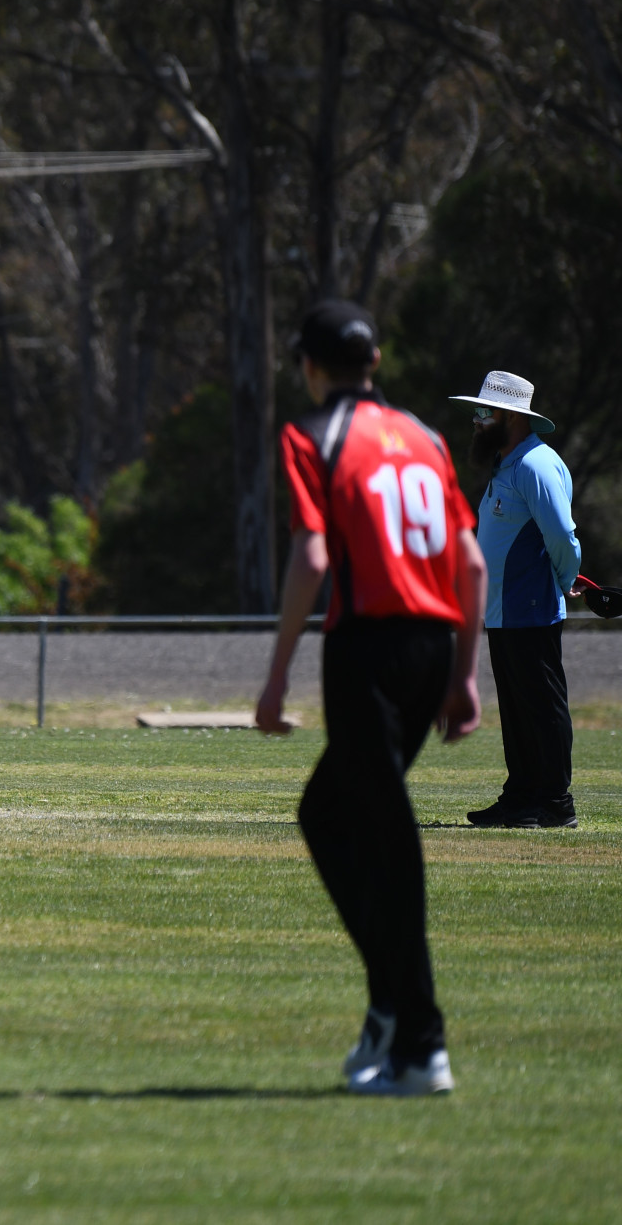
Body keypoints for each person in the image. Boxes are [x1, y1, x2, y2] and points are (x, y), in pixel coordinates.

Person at [256, 300, 486, 1097]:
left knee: (384, 837)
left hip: (366, 648)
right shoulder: (425, 436)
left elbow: (313, 553)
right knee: (327, 813)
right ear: (377, 360)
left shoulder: (311, 436)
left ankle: (419, 1039)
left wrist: (278, 671)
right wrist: (462, 672)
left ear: (310, 367)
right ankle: (393, 1002)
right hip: (430, 645)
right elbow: (472, 564)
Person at [450, 371, 582, 829]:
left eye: (483, 412)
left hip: (530, 608)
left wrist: (566, 579)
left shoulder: (535, 465)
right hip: (503, 612)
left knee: (542, 705)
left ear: (510, 417)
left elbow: (562, 535)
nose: (476, 421)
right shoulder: (507, 463)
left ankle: (555, 802)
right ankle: (521, 797)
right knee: (516, 706)